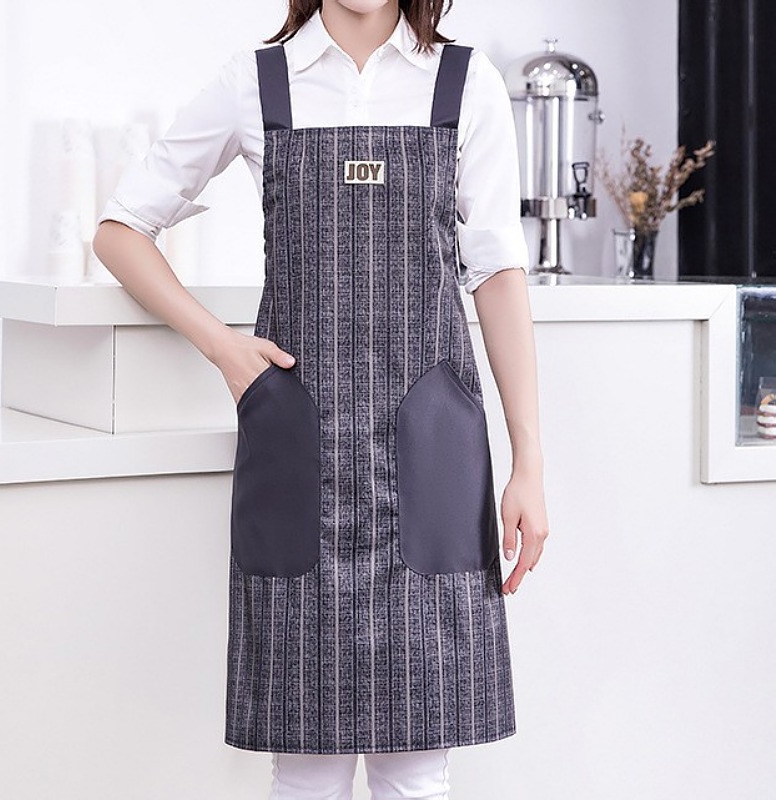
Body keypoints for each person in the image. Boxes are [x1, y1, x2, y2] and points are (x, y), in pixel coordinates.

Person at [93, 0, 549, 797]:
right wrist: (222, 345)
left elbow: (498, 273)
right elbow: (120, 229)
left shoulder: (463, 81)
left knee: (419, 760)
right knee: (305, 764)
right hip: (300, 445)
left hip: (432, 450)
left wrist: (529, 463)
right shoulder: (257, 81)